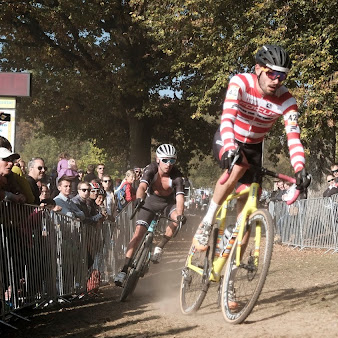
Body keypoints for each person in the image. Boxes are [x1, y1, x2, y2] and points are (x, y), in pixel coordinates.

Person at [194, 44, 311, 247]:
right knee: (238, 166)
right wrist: (230, 147)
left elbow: (293, 137)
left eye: (282, 77)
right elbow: (228, 118)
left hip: (255, 147)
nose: (276, 81)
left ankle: (230, 265)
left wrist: (299, 168)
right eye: (272, 73)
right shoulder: (240, 82)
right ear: (258, 69)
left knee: (249, 204)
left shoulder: (287, 101)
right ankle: (207, 221)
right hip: (228, 137)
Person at [115, 144, 186, 285]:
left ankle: (160, 246)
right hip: (151, 202)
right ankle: (123, 270)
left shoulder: (177, 176)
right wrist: (140, 199)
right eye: (165, 160)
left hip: (168, 204)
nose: (168, 164)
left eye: (172, 160)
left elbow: (179, 198)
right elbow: (142, 186)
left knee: (178, 219)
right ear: (158, 159)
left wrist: (180, 214)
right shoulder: (151, 169)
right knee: (138, 235)